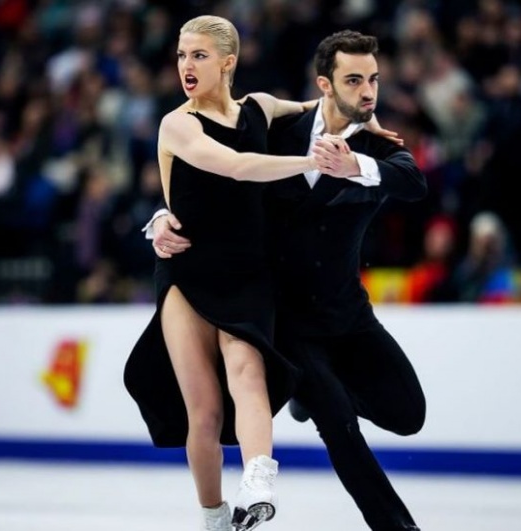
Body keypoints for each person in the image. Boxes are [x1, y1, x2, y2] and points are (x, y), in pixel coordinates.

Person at [150, 30, 428, 531]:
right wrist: (164, 215)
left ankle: (302, 392)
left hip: (346, 312)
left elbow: (413, 182)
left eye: (374, 81)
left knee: (409, 414)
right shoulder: (280, 130)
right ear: (326, 84)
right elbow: (222, 176)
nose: (367, 91)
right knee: (339, 426)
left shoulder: (379, 149)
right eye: (354, 80)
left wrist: (354, 163)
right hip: (286, 317)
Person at [122, 15, 357, 531]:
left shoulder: (262, 108)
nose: (187, 65)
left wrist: (364, 120)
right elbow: (234, 165)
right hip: (188, 272)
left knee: (248, 371)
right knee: (203, 410)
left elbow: (321, 113)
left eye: (199, 55)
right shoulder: (177, 123)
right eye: (182, 55)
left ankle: (258, 478)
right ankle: (214, 516)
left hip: (249, 270)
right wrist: (310, 163)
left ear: (228, 61)